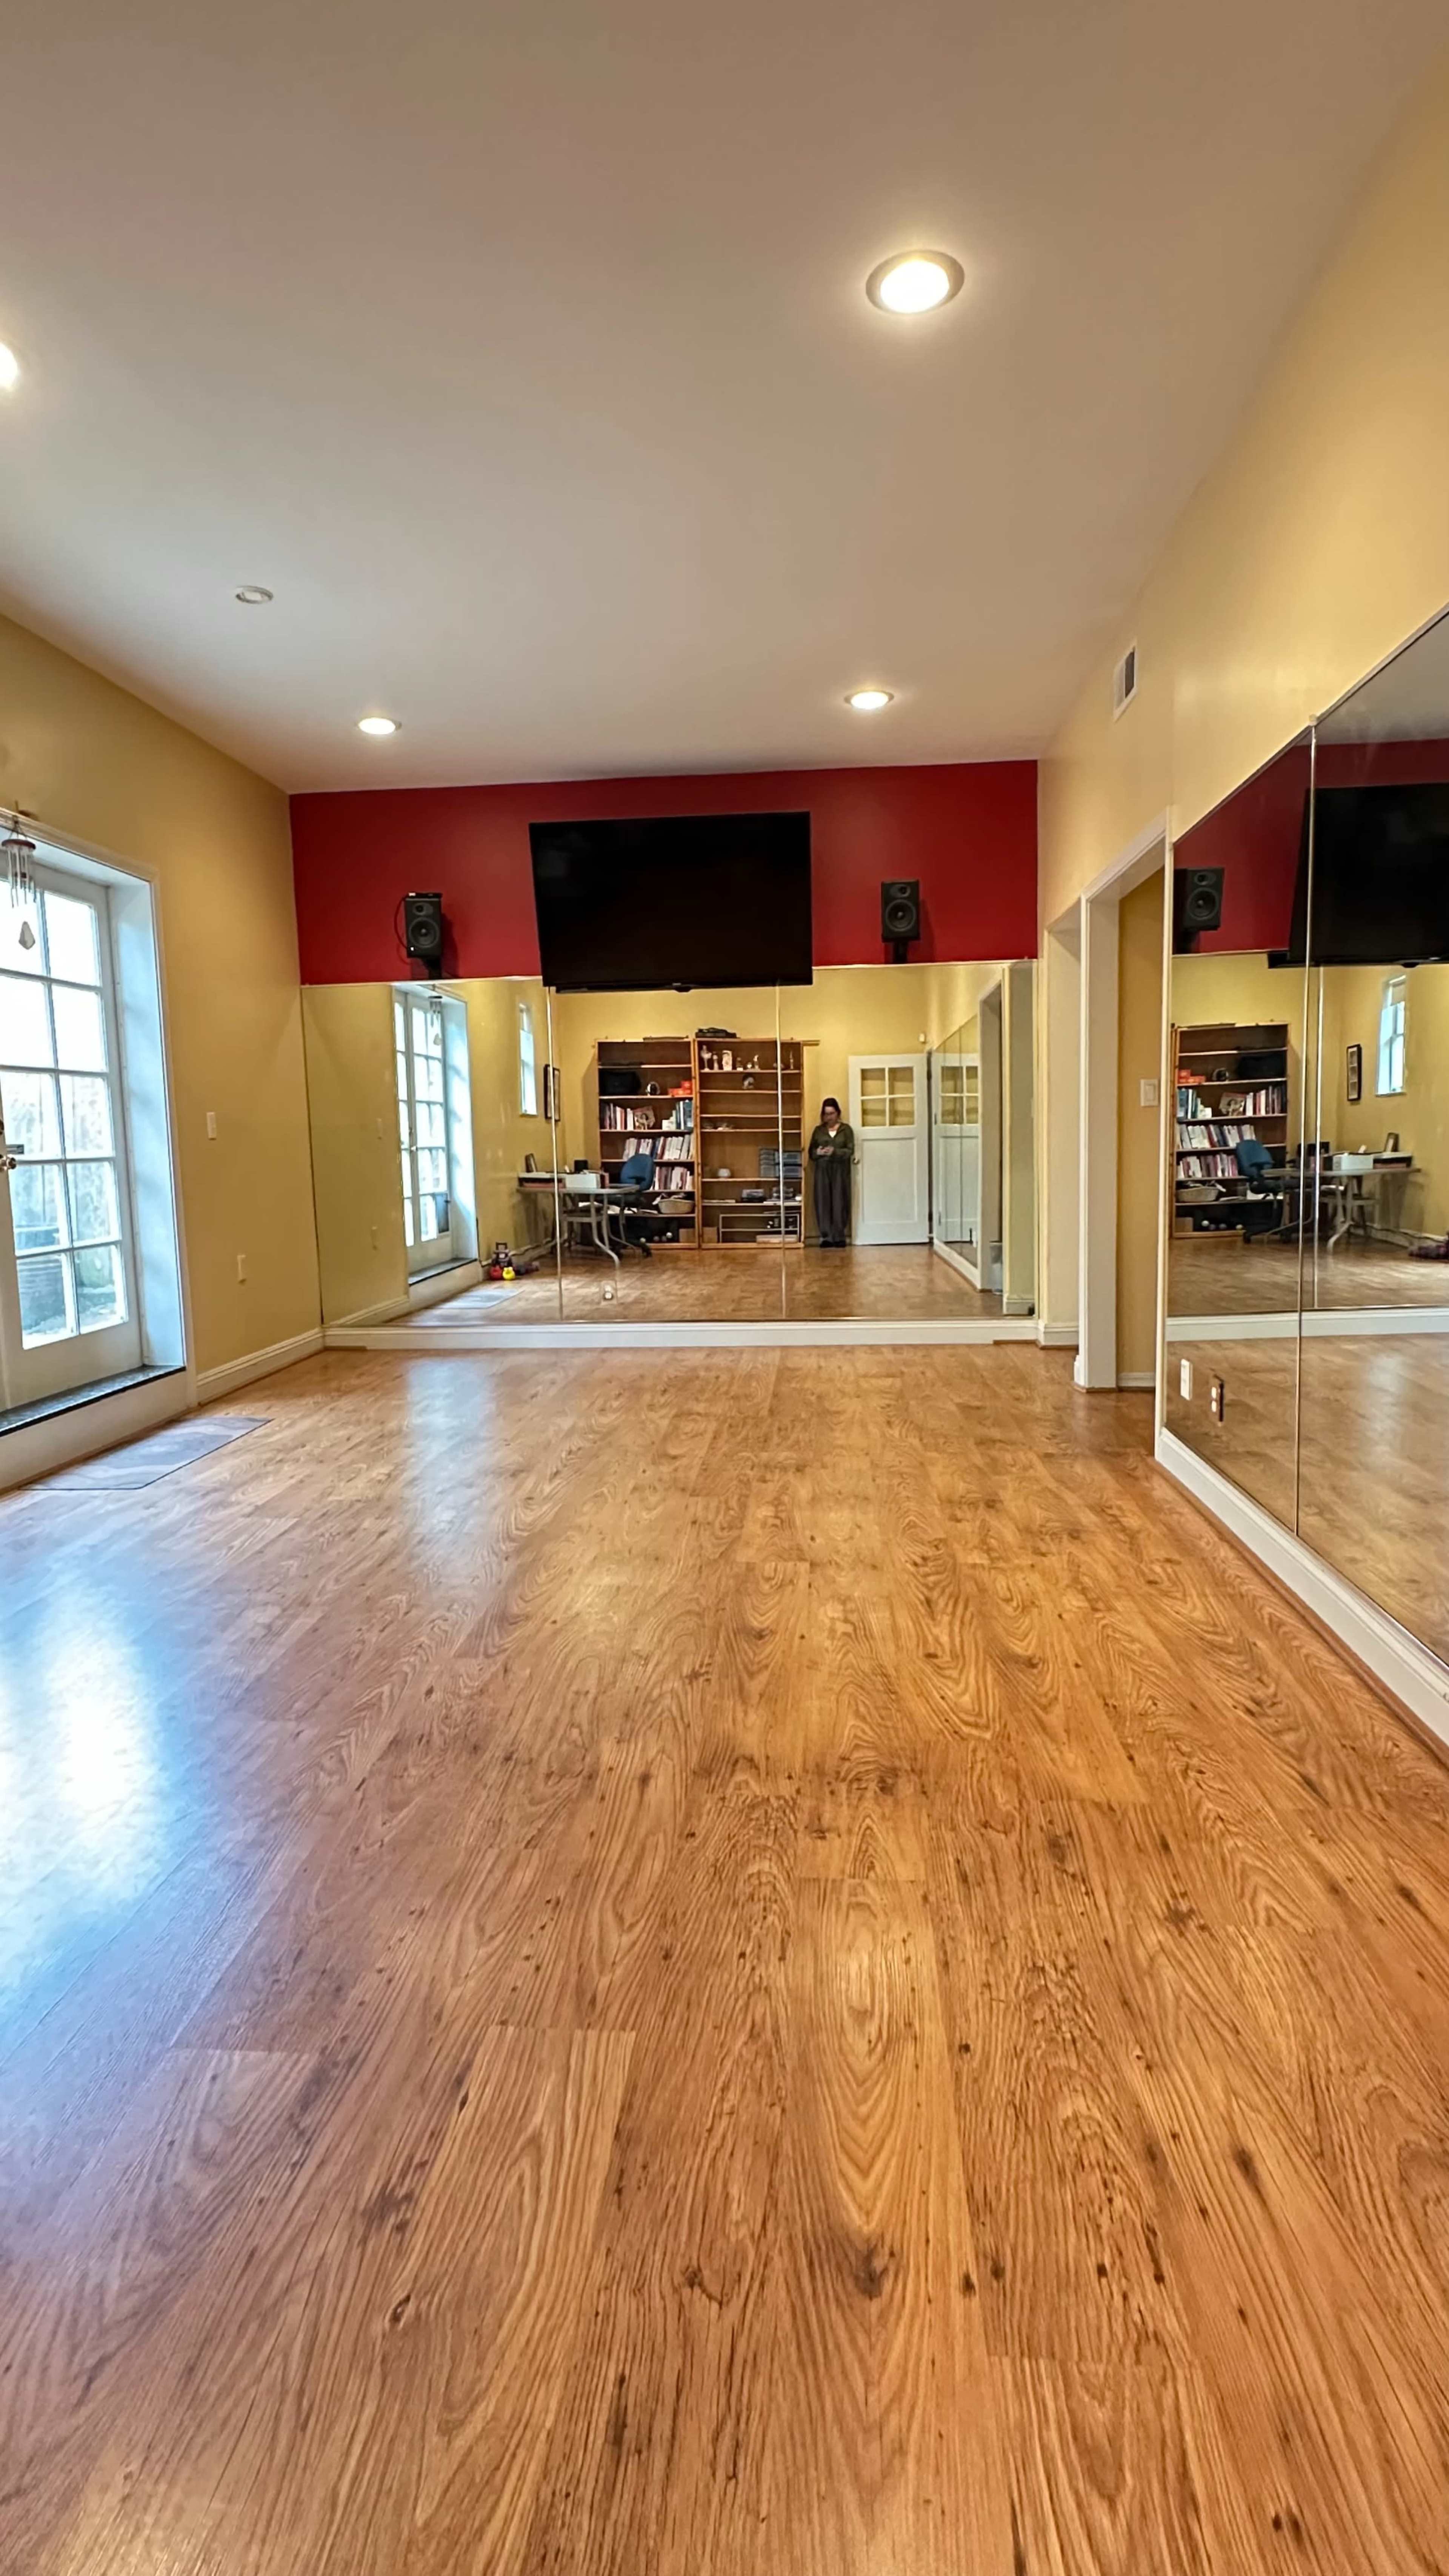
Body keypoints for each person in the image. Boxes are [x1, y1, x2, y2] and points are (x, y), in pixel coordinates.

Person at [809, 1097, 855, 1246]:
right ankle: (826, 1237)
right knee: (823, 1201)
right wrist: (819, 1152)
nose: (829, 1117)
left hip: (840, 1171)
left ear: (838, 1113)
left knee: (840, 1201)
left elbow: (850, 1150)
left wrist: (835, 1152)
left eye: (832, 1113)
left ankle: (839, 1236)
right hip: (822, 1170)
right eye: (826, 1114)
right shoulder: (818, 1131)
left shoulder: (846, 1130)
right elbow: (811, 1152)